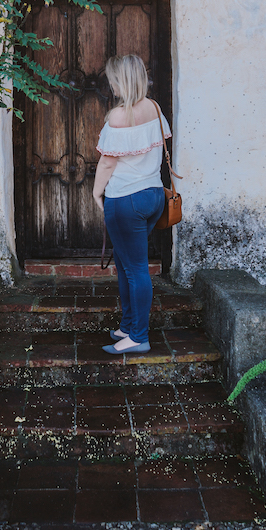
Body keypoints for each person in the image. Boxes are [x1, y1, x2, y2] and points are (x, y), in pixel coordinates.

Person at [92, 54, 170, 354]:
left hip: (126, 199)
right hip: (153, 196)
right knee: (126, 266)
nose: (110, 84)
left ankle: (138, 336)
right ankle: (127, 326)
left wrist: (97, 193)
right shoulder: (153, 107)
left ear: (122, 80)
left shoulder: (118, 116)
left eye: (113, 79)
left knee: (135, 269)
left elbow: (108, 164)